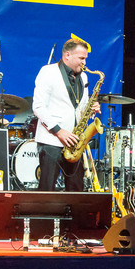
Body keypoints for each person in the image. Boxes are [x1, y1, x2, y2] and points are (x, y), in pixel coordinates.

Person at [32, 38, 99, 191]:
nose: (84, 62)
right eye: (81, 58)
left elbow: (79, 107)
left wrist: (91, 109)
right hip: (51, 140)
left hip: (74, 142)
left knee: (76, 189)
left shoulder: (84, 76)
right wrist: (59, 131)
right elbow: (38, 107)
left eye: (85, 58)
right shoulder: (48, 72)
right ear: (67, 55)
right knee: (47, 189)